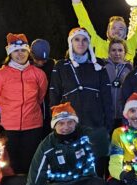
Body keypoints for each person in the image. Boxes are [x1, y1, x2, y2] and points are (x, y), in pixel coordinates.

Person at [48, 27, 114, 173]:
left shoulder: (98, 65)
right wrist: (57, 123)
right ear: (70, 42)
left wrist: (107, 124)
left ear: (89, 43)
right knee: (73, 166)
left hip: (96, 123)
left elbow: (107, 97)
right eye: (76, 39)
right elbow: (54, 96)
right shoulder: (61, 66)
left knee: (98, 165)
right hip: (70, 126)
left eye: (84, 40)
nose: (81, 43)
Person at [0, 34, 48, 174]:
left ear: (28, 52)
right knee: (8, 166)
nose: (20, 54)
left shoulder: (38, 74)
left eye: (23, 50)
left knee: (29, 165)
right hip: (7, 127)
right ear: (10, 53)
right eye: (16, 51)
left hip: (32, 126)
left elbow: (40, 97)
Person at [102, 37, 133, 127]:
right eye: (113, 50)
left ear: (125, 52)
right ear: (109, 52)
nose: (117, 53)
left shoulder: (129, 69)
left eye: (120, 50)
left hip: (124, 115)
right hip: (106, 115)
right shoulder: (103, 67)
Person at [29, 38, 55, 129]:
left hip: (49, 111)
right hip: (33, 114)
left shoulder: (52, 66)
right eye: (38, 59)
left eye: (44, 60)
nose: (41, 62)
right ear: (31, 54)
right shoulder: (26, 67)